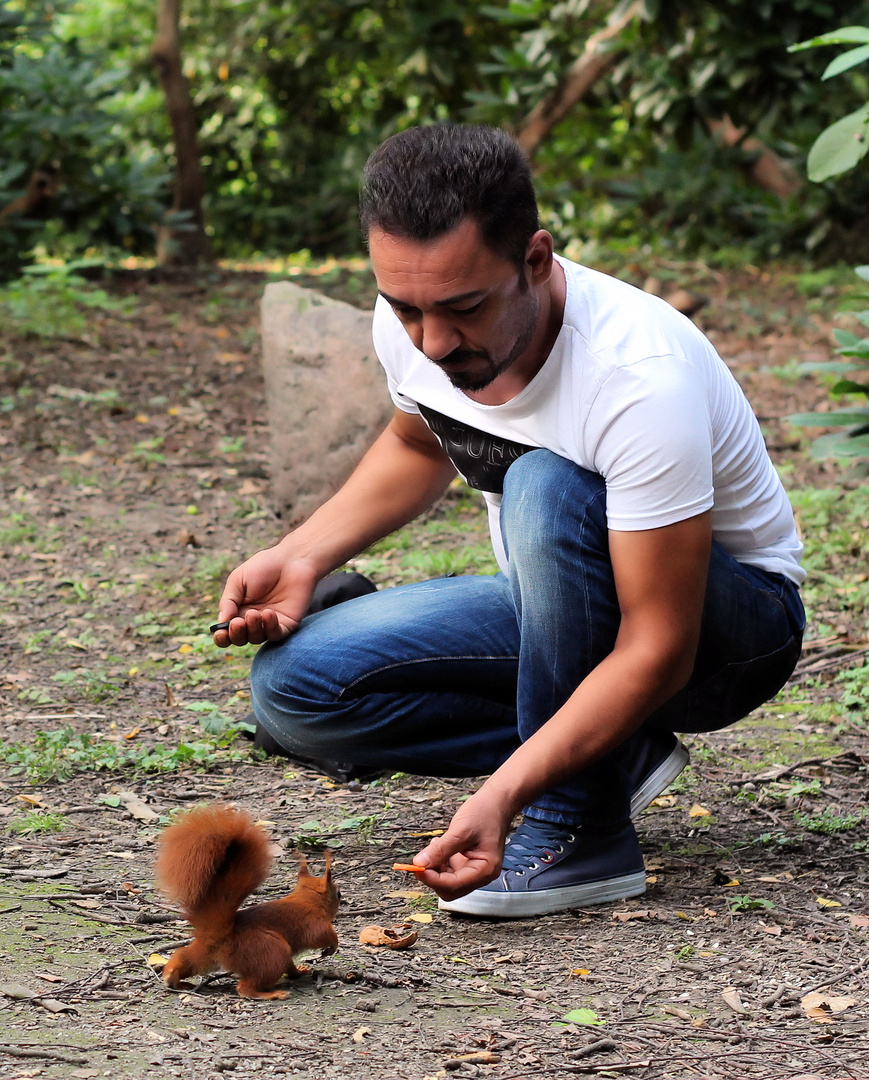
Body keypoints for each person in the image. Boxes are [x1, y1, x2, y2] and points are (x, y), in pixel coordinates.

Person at [211, 124, 805, 918]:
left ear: (535, 260)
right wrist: (303, 554)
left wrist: (514, 790)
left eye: (462, 309)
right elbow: (417, 442)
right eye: (407, 308)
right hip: (563, 612)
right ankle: (608, 756)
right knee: (295, 690)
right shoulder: (418, 322)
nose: (433, 340)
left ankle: (580, 826)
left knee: (545, 485)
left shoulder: (636, 377)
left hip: (721, 640)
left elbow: (660, 649)